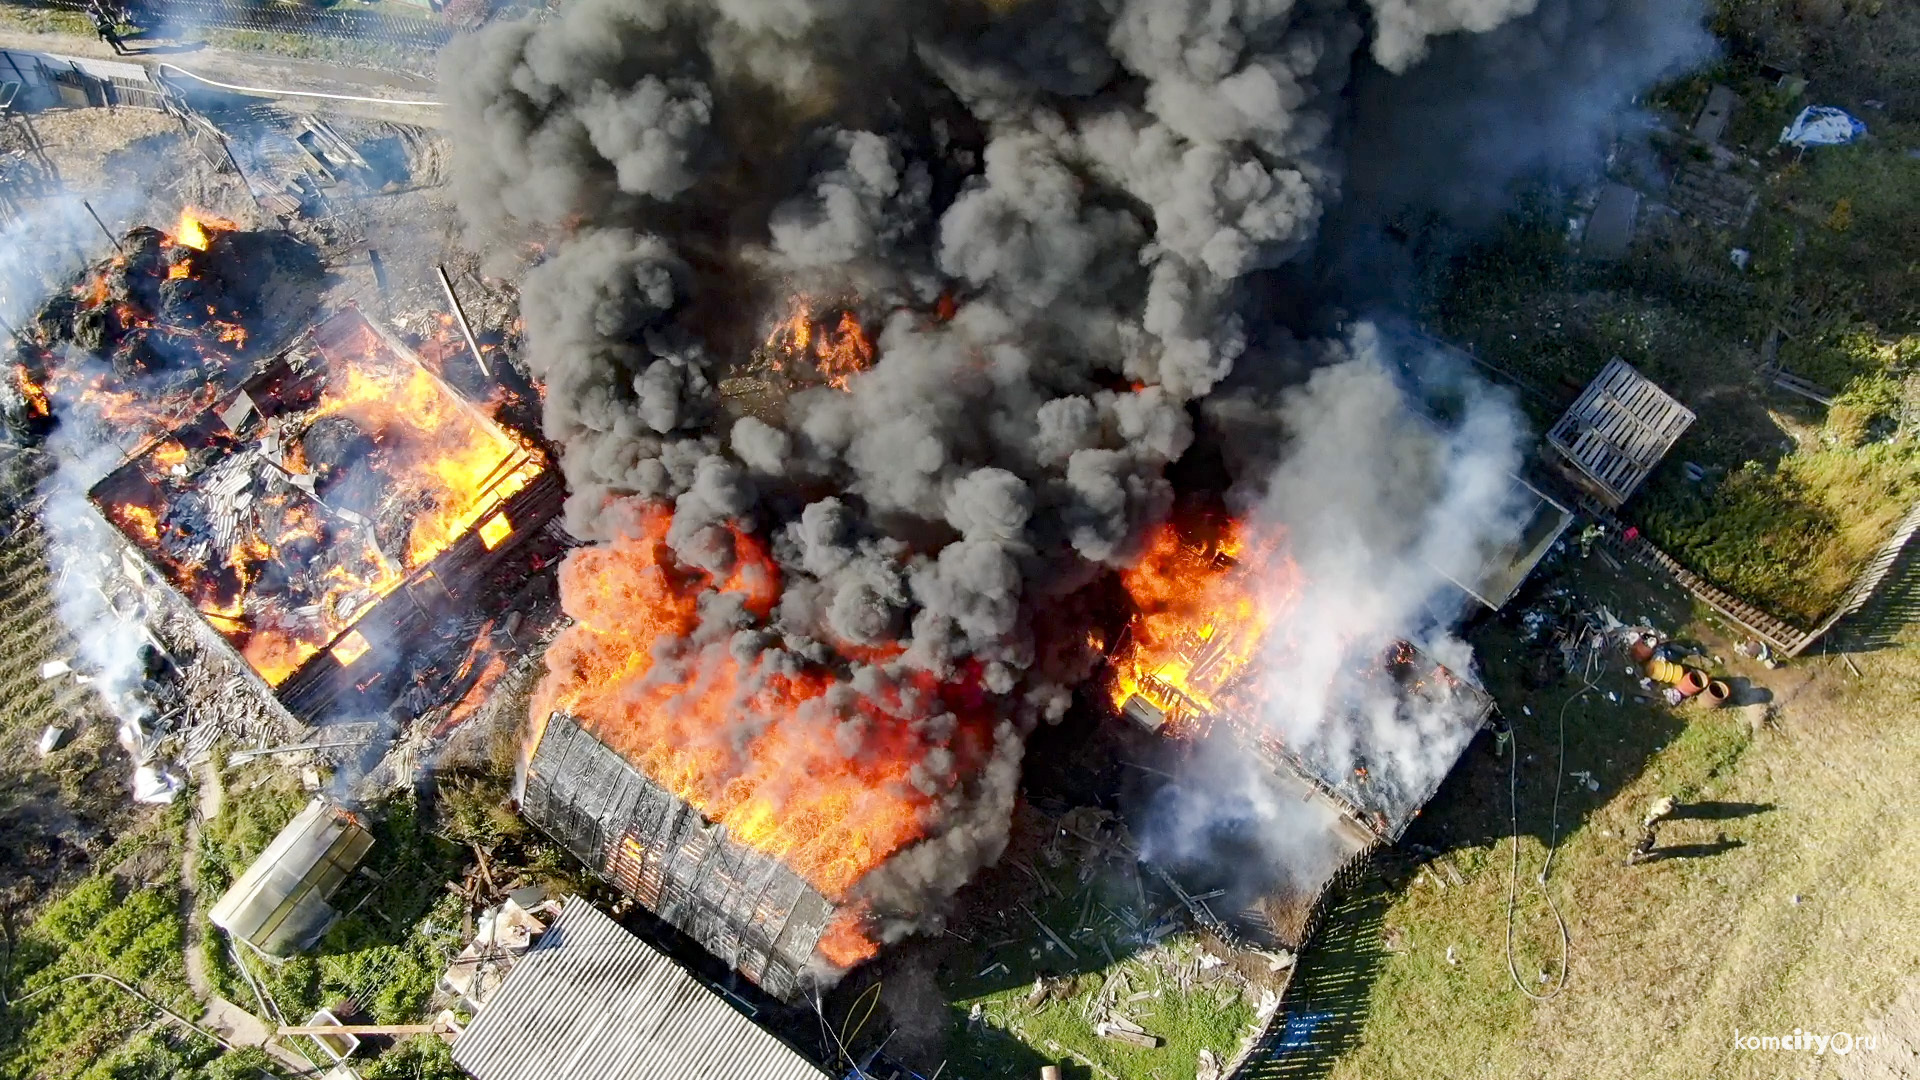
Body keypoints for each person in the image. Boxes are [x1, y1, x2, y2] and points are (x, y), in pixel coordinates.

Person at [1626, 796, 1677, 865]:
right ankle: (1636, 858)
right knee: (1645, 846)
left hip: (1644, 844)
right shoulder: (1647, 839)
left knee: (1645, 844)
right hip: (1644, 846)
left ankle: (1637, 856)